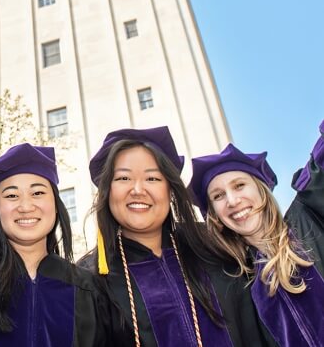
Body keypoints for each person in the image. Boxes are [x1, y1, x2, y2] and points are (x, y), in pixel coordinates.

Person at [77, 126, 273, 347]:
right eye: (123, 178)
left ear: (170, 191)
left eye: (152, 178)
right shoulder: (88, 279)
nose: (138, 189)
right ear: (106, 191)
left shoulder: (215, 244)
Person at [0, 143, 110, 346]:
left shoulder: (86, 288)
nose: (26, 206)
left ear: (55, 205)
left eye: (38, 193)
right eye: (11, 196)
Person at [189, 121, 324, 347]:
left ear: (261, 189)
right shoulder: (236, 283)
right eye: (218, 196)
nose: (232, 201)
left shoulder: (308, 217)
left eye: (240, 185)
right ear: (214, 216)